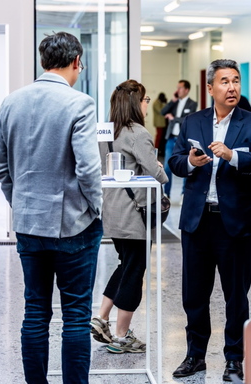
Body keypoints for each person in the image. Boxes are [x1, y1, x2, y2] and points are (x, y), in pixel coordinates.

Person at [0, 32, 104, 384]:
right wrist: (95, 208)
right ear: (77, 62)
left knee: (36, 311)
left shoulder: (11, 102)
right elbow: (88, 169)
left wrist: (20, 203)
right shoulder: (80, 103)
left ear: (43, 62)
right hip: (74, 227)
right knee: (76, 315)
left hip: (28, 225)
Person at [168, 59, 251, 381]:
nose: (232, 87)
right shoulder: (192, 122)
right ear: (210, 87)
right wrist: (190, 161)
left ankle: (234, 359)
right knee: (194, 295)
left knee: (236, 296)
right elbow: (175, 161)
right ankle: (195, 355)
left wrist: (233, 155)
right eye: (225, 81)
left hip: (236, 223)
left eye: (236, 81)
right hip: (197, 221)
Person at [90, 80, 168, 353]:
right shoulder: (138, 133)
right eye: (145, 100)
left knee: (126, 265)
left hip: (113, 212)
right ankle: (122, 335)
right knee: (135, 272)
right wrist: (159, 168)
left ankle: (101, 317)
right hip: (135, 215)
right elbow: (158, 175)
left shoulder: (106, 132)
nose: (147, 105)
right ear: (136, 103)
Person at [161, 80, 197, 198]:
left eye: (180, 88)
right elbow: (163, 112)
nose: (177, 90)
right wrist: (172, 100)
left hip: (184, 140)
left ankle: (184, 194)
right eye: (177, 88)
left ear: (186, 90)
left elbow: (188, 119)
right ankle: (166, 193)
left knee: (186, 165)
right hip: (171, 138)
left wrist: (174, 118)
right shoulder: (174, 103)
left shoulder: (192, 104)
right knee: (167, 167)